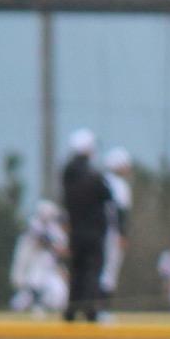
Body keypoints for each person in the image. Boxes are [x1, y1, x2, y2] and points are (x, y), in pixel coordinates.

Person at [60, 129, 110, 322]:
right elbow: (106, 194)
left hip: (75, 229)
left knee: (77, 270)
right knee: (92, 271)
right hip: (93, 230)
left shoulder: (68, 173)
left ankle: (71, 311)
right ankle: (91, 311)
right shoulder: (92, 174)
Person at [9, 200, 69, 314]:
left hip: (49, 268)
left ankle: (38, 306)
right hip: (32, 264)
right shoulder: (34, 224)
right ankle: (34, 306)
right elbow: (41, 242)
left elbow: (60, 249)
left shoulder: (54, 229)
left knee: (58, 292)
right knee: (31, 286)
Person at [99, 147, 134, 314]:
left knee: (99, 271)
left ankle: (96, 309)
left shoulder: (102, 180)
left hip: (98, 232)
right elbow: (120, 211)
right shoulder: (119, 185)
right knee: (109, 273)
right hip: (112, 233)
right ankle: (103, 310)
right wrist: (123, 234)